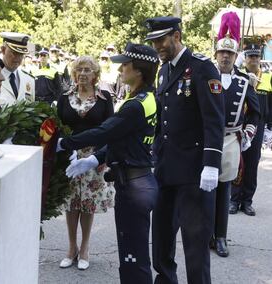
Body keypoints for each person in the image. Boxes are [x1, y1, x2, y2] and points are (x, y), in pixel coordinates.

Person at [58, 44, 159, 283]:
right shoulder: (145, 98)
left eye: (125, 65)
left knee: (133, 254)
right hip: (137, 177)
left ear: (139, 71)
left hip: (133, 182)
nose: (121, 69)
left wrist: (65, 144)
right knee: (132, 252)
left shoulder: (134, 105)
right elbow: (122, 138)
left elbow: (105, 131)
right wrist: (95, 158)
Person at [145, 16, 225, 284]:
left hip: (194, 174)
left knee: (195, 247)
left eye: (160, 40)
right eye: (153, 42)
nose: (157, 46)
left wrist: (212, 164)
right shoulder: (164, 70)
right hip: (166, 170)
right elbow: (163, 120)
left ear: (177, 36)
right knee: (162, 243)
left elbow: (215, 120)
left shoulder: (202, 68)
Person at [56, 55, 114, 271]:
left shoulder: (105, 98)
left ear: (95, 75)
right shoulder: (64, 97)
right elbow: (58, 127)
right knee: (71, 203)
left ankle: (85, 247)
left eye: (87, 70)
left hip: (93, 157)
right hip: (69, 156)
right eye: (79, 69)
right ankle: (71, 248)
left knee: (87, 203)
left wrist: (101, 156)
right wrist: (63, 152)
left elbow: (111, 128)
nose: (82, 73)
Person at [212, 24, 260, 257]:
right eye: (222, 52)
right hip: (206, 138)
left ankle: (220, 236)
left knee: (224, 188)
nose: (225, 57)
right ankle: (204, 233)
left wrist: (248, 132)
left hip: (231, 138)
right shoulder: (205, 76)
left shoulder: (244, 82)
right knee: (203, 187)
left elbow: (256, 112)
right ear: (216, 54)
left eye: (230, 53)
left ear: (235, 56)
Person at [231, 44, 272, 216]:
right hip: (239, 125)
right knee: (237, 162)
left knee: (252, 163)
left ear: (259, 58)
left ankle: (247, 201)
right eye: (250, 57)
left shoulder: (268, 77)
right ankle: (233, 200)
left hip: (258, 126)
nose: (253, 60)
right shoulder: (239, 76)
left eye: (256, 57)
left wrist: (270, 126)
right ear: (245, 58)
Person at [0, 32, 35, 107]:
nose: (18, 58)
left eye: (21, 54)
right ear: (3, 50)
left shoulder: (29, 80)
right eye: (14, 53)